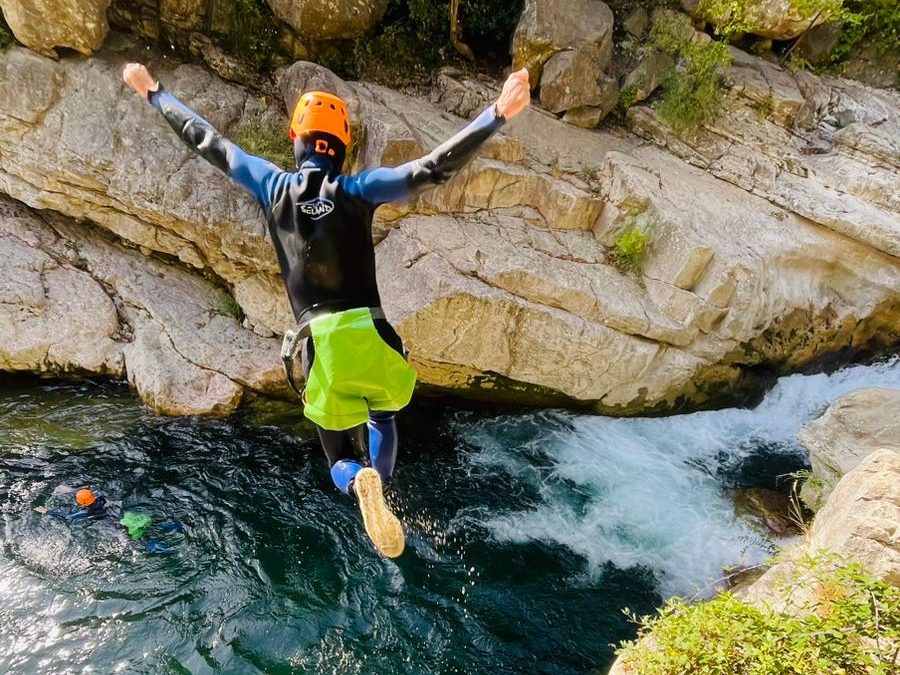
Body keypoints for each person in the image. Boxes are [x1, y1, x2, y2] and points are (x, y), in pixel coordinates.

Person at [122, 61, 531, 558]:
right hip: (375, 336)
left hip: (320, 345)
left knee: (336, 449)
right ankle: (381, 482)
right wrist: (496, 114)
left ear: (296, 138)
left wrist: (154, 92)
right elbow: (429, 170)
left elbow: (207, 141)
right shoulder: (358, 191)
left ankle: (357, 479)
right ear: (343, 148)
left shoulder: (272, 186)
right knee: (383, 419)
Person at [35, 487, 108, 520]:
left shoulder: (86, 511)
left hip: (99, 517)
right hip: (105, 508)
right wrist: (70, 490)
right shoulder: (98, 496)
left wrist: (48, 512)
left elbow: (68, 517)